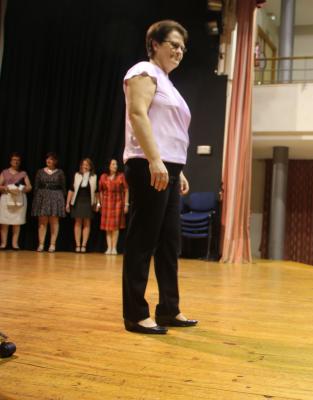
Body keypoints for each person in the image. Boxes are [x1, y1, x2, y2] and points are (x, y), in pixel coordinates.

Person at [121, 20, 196, 335]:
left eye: (182, 47)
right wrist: (155, 160)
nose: (179, 51)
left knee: (169, 243)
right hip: (147, 164)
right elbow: (138, 114)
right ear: (154, 44)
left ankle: (169, 309)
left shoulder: (168, 83)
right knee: (143, 241)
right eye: (174, 44)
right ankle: (136, 314)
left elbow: (171, 130)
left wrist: (178, 169)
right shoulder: (143, 71)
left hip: (169, 167)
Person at [31, 153, 66, 252]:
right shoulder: (40, 172)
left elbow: (63, 187)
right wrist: (37, 199)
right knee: (42, 221)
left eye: (51, 159)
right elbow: (36, 186)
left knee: (54, 222)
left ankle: (52, 244)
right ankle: (41, 244)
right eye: (47, 159)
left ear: (55, 161)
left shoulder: (60, 172)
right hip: (42, 197)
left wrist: (61, 200)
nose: (48, 161)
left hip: (56, 197)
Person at [0, 153, 32, 250]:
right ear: (10, 161)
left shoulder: (23, 173)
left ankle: (15, 244)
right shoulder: (4, 172)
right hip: (6, 197)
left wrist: (19, 187)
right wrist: (7, 187)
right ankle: (3, 243)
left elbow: (29, 187)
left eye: (18, 160)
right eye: (14, 159)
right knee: (4, 221)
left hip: (19, 198)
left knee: (17, 222)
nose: (16, 161)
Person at [66, 158, 98, 253]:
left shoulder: (94, 176)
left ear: (90, 166)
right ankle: (78, 245)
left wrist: (98, 204)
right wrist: (67, 203)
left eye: (87, 164)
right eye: (83, 164)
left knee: (87, 223)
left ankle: (84, 245)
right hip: (78, 201)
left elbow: (96, 192)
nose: (85, 166)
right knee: (78, 222)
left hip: (88, 201)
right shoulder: (77, 175)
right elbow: (71, 190)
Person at [98, 159, 129, 255]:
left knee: (115, 226)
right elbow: (101, 191)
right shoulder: (104, 177)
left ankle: (114, 247)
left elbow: (126, 190)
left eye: (116, 164)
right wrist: (100, 203)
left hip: (118, 202)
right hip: (107, 203)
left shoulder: (121, 176)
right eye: (113, 164)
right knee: (107, 227)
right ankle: (109, 247)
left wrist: (126, 204)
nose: (115, 166)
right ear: (109, 166)